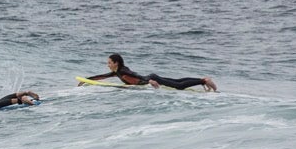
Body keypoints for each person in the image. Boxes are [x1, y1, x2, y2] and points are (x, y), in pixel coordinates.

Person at [87, 53, 217, 92]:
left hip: (151, 79)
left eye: (109, 62)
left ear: (116, 63)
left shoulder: (123, 70)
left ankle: (204, 80)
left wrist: (149, 81)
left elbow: (136, 75)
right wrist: (87, 80)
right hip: (151, 77)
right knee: (177, 81)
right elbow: (102, 76)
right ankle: (202, 80)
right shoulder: (117, 72)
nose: (108, 65)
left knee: (179, 86)